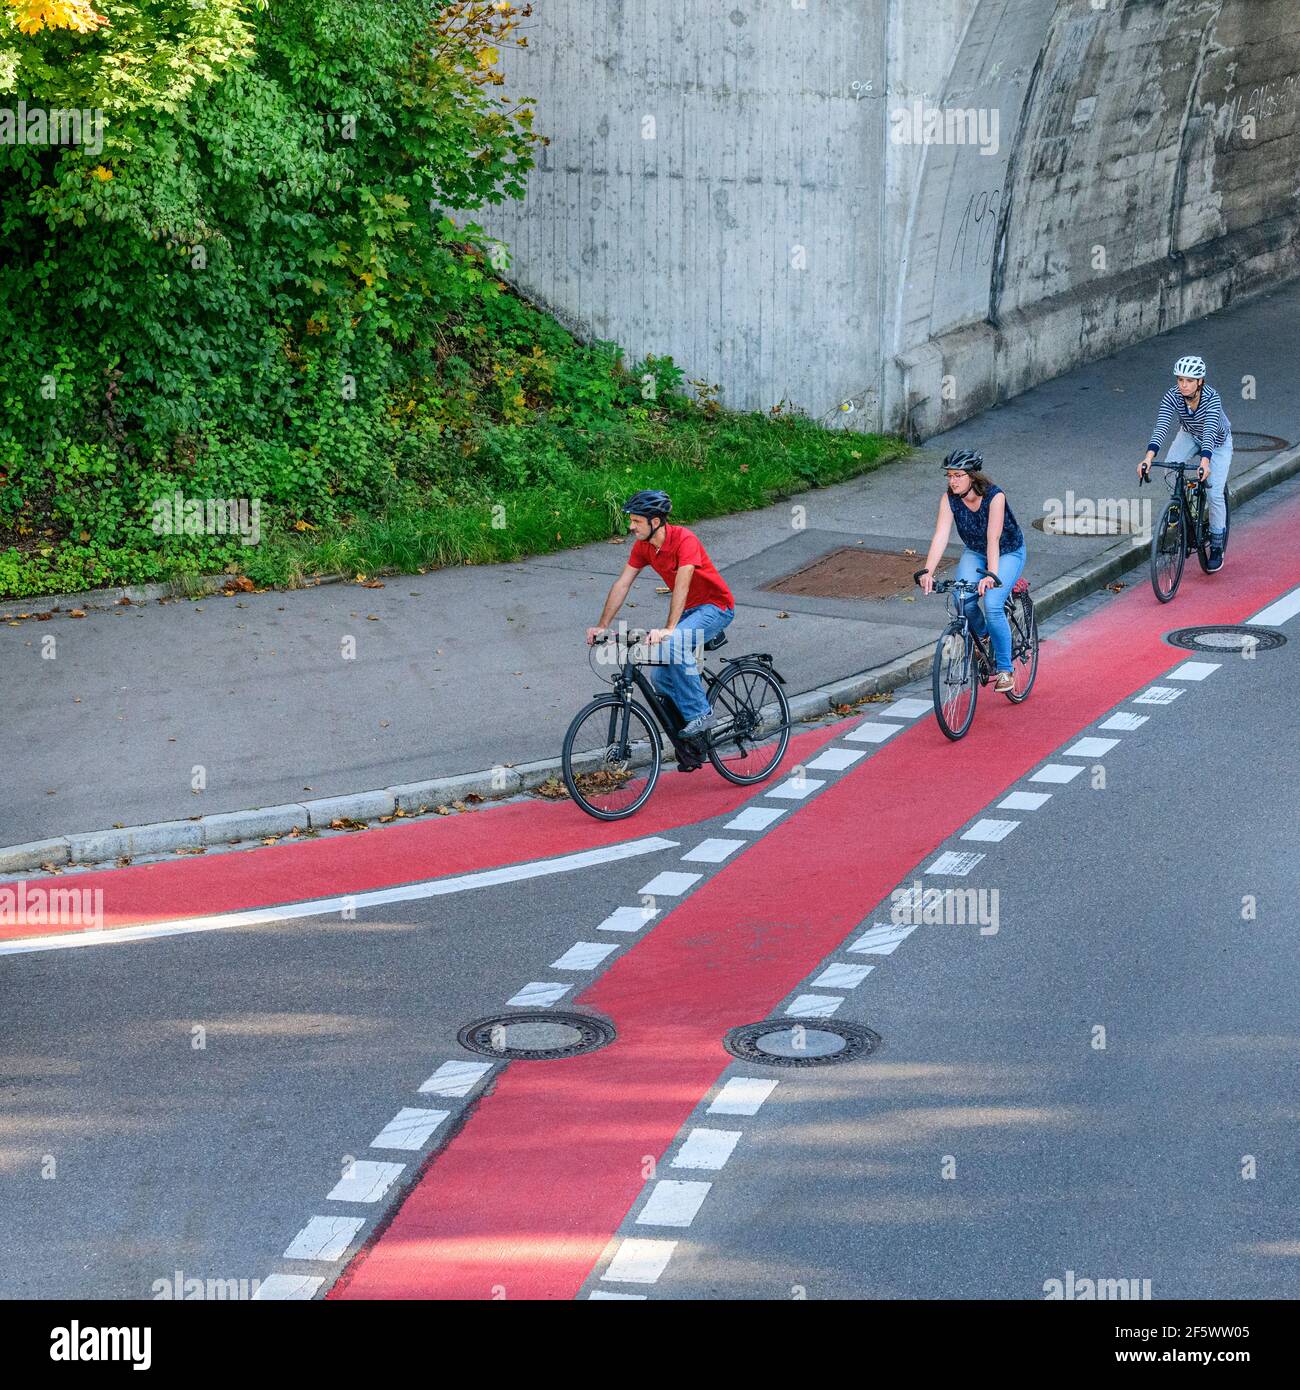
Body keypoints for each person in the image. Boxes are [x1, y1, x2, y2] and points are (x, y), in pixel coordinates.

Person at [587, 490, 735, 742]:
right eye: (631, 520)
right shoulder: (644, 547)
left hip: (715, 607)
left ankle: (701, 713)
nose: (630, 526)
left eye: (636, 521)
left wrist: (669, 628)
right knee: (660, 676)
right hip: (688, 612)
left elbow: (683, 584)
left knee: (673, 642)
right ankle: (693, 739)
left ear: (655, 522)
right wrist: (602, 625)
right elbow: (623, 583)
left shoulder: (684, 539)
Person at [917, 449, 1026, 693]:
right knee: (962, 599)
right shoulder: (949, 499)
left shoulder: (995, 497)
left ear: (972, 477)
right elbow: (941, 534)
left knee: (993, 603)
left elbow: (994, 537)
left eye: (957, 475)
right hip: (975, 551)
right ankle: (985, 636)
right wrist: (928, 570)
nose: (952, 481)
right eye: (949, 476)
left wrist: (991, 575)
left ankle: (1005, 670)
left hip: (1008, 551)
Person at [1138, 354, 1231, 571]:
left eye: (1189, 381)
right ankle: (1181, 503)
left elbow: (1209, 432)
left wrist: (1205, 462)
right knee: (1171, 466)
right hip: (1189, 434)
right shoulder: (1173, 396)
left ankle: (1217, 545)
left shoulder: (1212, 398)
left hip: (1217, 443)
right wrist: (1148, 458)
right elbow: (1161, 426)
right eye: (1180, 380)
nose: (1183, 385)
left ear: (1200, 382)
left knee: (1214, 493)